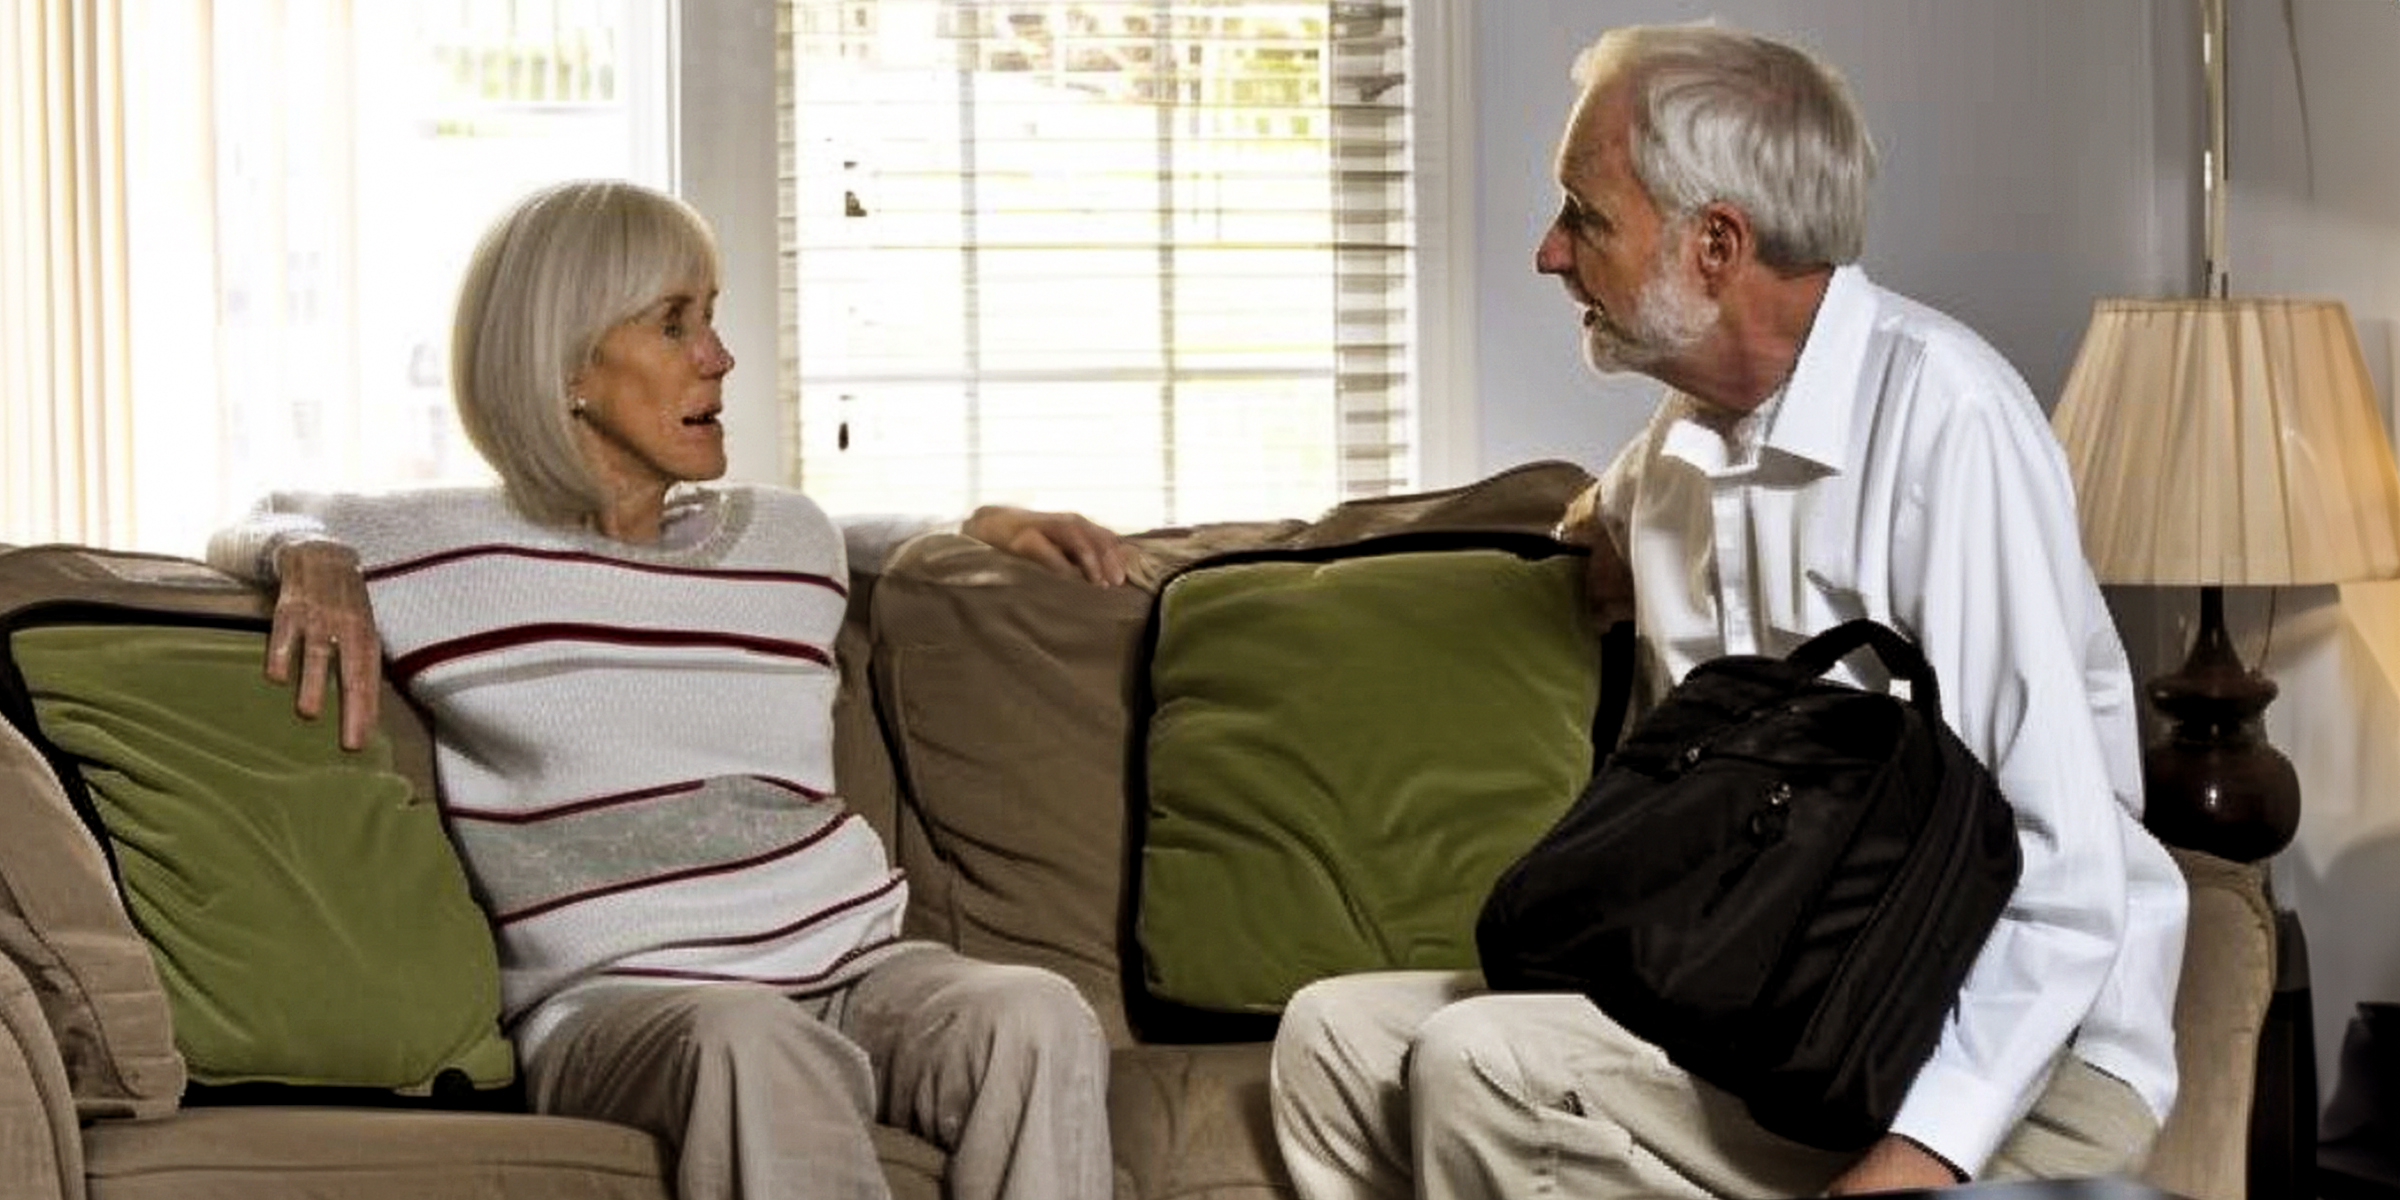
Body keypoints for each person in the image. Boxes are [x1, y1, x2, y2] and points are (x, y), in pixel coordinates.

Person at [1269, 22, 2188, 1200]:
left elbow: (2063, 863)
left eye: (1584, 215)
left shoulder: (1949, 424)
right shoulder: (1684, 441)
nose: (1550, 252)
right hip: (1776, 1013)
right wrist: (1595, 522)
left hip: (2011, 1046)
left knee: (1485, 1061)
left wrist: (1921, 1153)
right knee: (1331, 1044)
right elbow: (1628, 512)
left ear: (1715, 244)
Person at [206, 179, 1123, 1200]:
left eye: (714, 316)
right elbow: (260, 516)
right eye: (674, 323)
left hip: (858, 971)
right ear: (569, 370)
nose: (719, 357)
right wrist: (309, 554)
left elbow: (871, 541)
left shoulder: (785, 536)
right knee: (747, 1036)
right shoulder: (449, 551)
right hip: (624, 1006)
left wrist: (979, 519)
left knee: (1037, 1016)